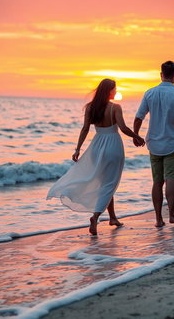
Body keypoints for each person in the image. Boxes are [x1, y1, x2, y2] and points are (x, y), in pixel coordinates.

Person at [47, 78, 145, 235]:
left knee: (105, 183)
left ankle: (112, 217)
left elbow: (85, 128)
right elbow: (123, 128)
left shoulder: (90, 107)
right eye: (114, 89)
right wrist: (137, 137)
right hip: (113, 145)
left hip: (96, 146)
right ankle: (95, 217)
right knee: (110, 184)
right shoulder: (115, 108)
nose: (116, 91)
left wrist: (78, 149)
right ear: (109, 91)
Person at [133, 61, 174, 227]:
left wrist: (135, 136)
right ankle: (172, 215)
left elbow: (139, 117)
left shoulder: (149, 93)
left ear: (161, 75)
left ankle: (159, 219)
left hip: (154, 143)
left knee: (157, 182)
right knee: (170, 179)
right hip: (172, 142)